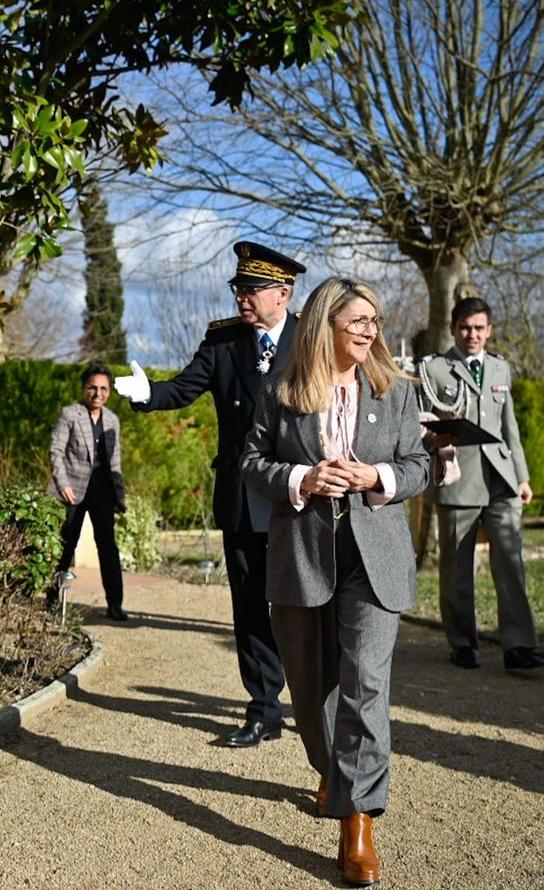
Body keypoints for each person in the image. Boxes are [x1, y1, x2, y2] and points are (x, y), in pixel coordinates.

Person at [240, 278, 428, 886]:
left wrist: (375, 474)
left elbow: (420, 464)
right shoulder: (281, 390)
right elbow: (250, 463)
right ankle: (332, 771)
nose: (370, 331)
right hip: (303, 554)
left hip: (375, 554)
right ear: (326, 325)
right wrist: (302, 478)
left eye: (374, 320)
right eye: (358, 321)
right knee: (312, 684)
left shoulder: (394, 391)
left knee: (366, 683)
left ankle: (358, 821)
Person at [113, 240, 304, 747]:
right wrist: (149, 393)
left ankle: (313, 703)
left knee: (302, 604)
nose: (241, 296)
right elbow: (185, 387)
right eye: (238, 287)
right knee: (249, 606)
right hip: (243, 494)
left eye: (252, 288)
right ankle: (264, 709)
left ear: (282, 293)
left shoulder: (312, 339)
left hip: (298, 496)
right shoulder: (223, 342)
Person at [417, 297, 544, 671]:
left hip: (501, 479)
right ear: (454, 328)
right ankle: (462, 642)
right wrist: (435, 443)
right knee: (456, 568)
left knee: (510, 562)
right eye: (465, 328)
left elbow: (510, 428)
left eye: (479, 328)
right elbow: (423, 424)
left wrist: (522, 476)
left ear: (489, 331)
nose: (472, 335)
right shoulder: (435, 369)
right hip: (458, 478)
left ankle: (519, 646)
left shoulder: (501, 370)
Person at [49, 363, 127, 620]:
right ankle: (51, 601)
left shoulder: (113, 420)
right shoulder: (70, 414)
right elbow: (56, 452)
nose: (98, 393)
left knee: (108, 546)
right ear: (84, 389)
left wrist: (119, 496)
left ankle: (115, 604)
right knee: (65, 545)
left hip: (102, 492)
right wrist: (62, 484)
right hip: (72, 490)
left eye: (103, 388)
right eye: (92, 387)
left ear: (109, 392)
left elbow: (115, 462)